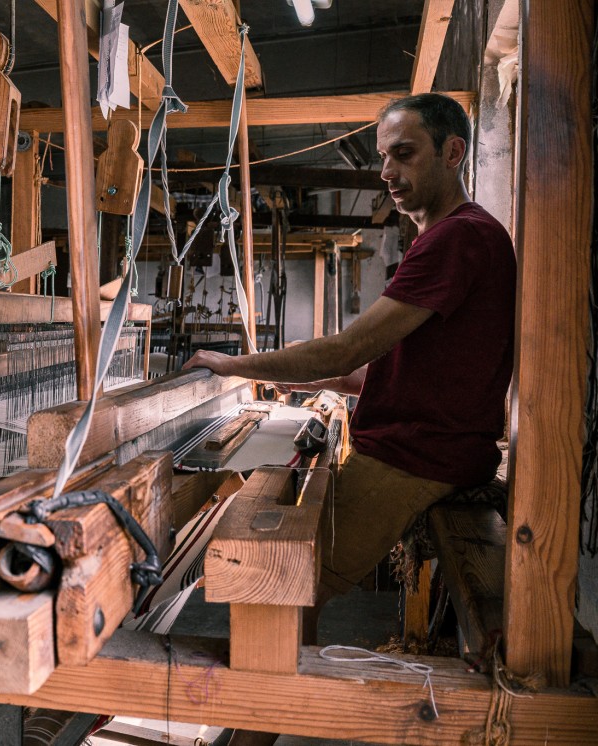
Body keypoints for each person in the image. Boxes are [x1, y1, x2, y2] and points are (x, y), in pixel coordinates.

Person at [184, 93, 516, 746]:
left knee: (271, 578)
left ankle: (252, 731)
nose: (387, 172)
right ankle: (267, 713)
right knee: (282, 561)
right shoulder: (459, 236)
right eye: (382, 158)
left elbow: (348, 346)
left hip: (415, 460)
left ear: (453, 153)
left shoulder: (457, 239)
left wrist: (231, 366)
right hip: (429, 446)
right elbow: (387, 367)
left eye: (403, 154)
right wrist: (331, 379)